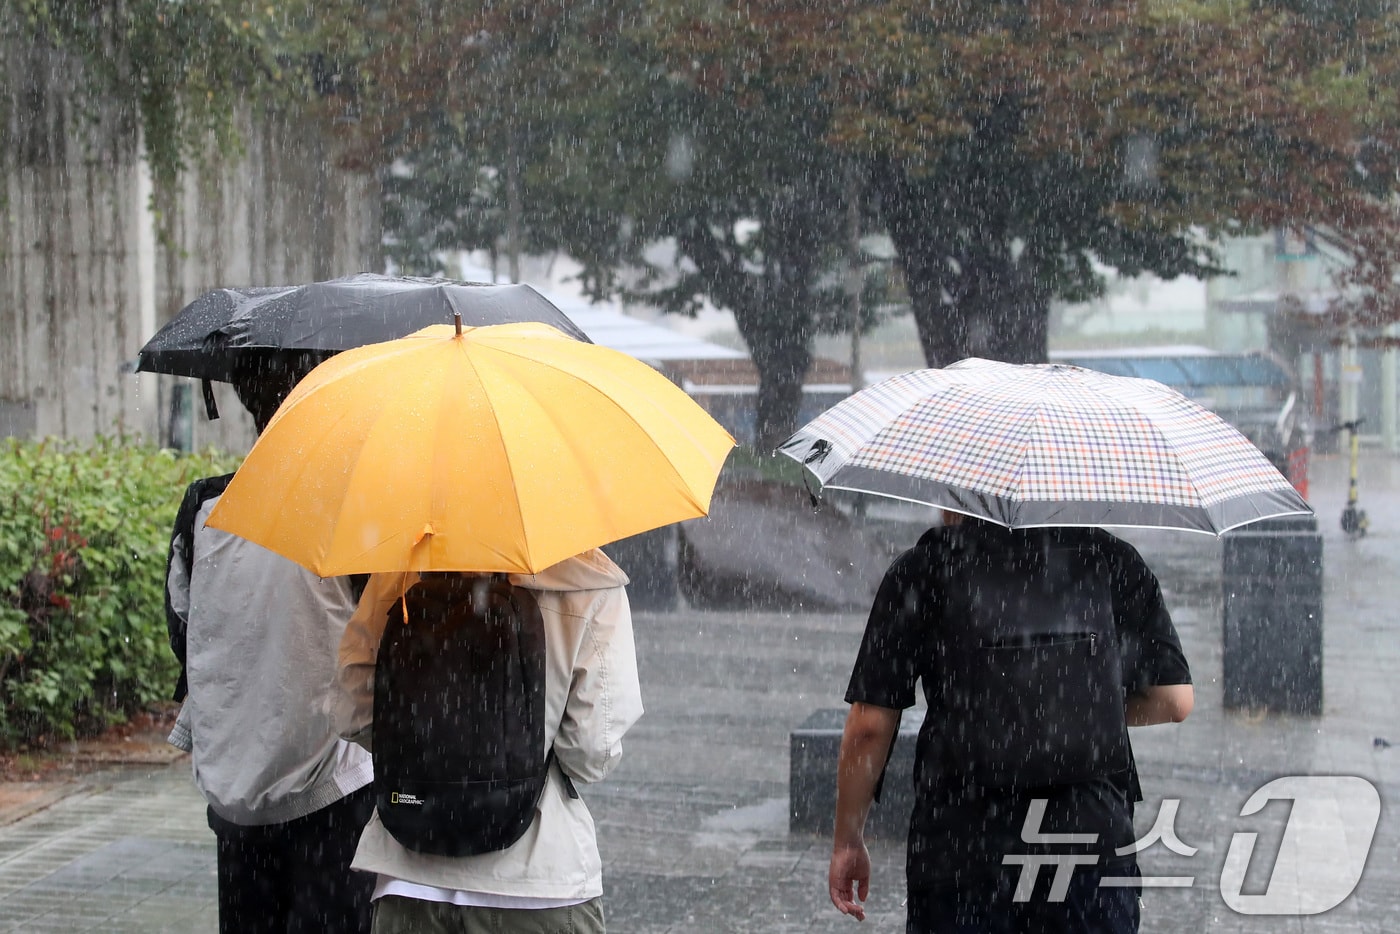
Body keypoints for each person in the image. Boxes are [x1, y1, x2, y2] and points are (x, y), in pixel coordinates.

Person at [828, 512, 1194, 934]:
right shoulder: (1110, 560)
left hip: (961, 853)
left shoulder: (924, 569)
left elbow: (870, 725)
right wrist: (1075, 706)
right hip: (1088, 847)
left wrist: (848, 840)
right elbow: (1175, 700)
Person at [165, 352, 376, 934]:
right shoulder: (348, 510)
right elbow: (379, 636)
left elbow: (185, 633)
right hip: (330, 784)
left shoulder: (205, 507)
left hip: (235, 785)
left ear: (249, 403)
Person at [332, 549, 643, 934]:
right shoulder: (590, 580)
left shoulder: (403, 570)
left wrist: (428, 756)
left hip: (411, 879)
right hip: (539, 883)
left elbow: (352, 711)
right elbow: (591, 753)